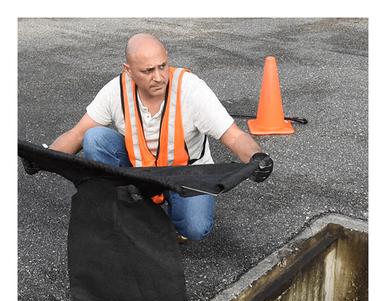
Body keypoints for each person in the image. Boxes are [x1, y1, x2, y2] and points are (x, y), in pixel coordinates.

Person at [25, 33, 273, 241]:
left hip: (186, 176)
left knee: (195, 228)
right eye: (148, 70)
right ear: (129, 71)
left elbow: (234, 136)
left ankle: (168, 216)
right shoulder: (116, 91)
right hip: (140, 171)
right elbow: (78, 133)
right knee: (95, 138)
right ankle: (123, 212)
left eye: (162, 66)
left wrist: (256, 156)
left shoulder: (191, 89)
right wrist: (45, 158)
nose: (159, 77)